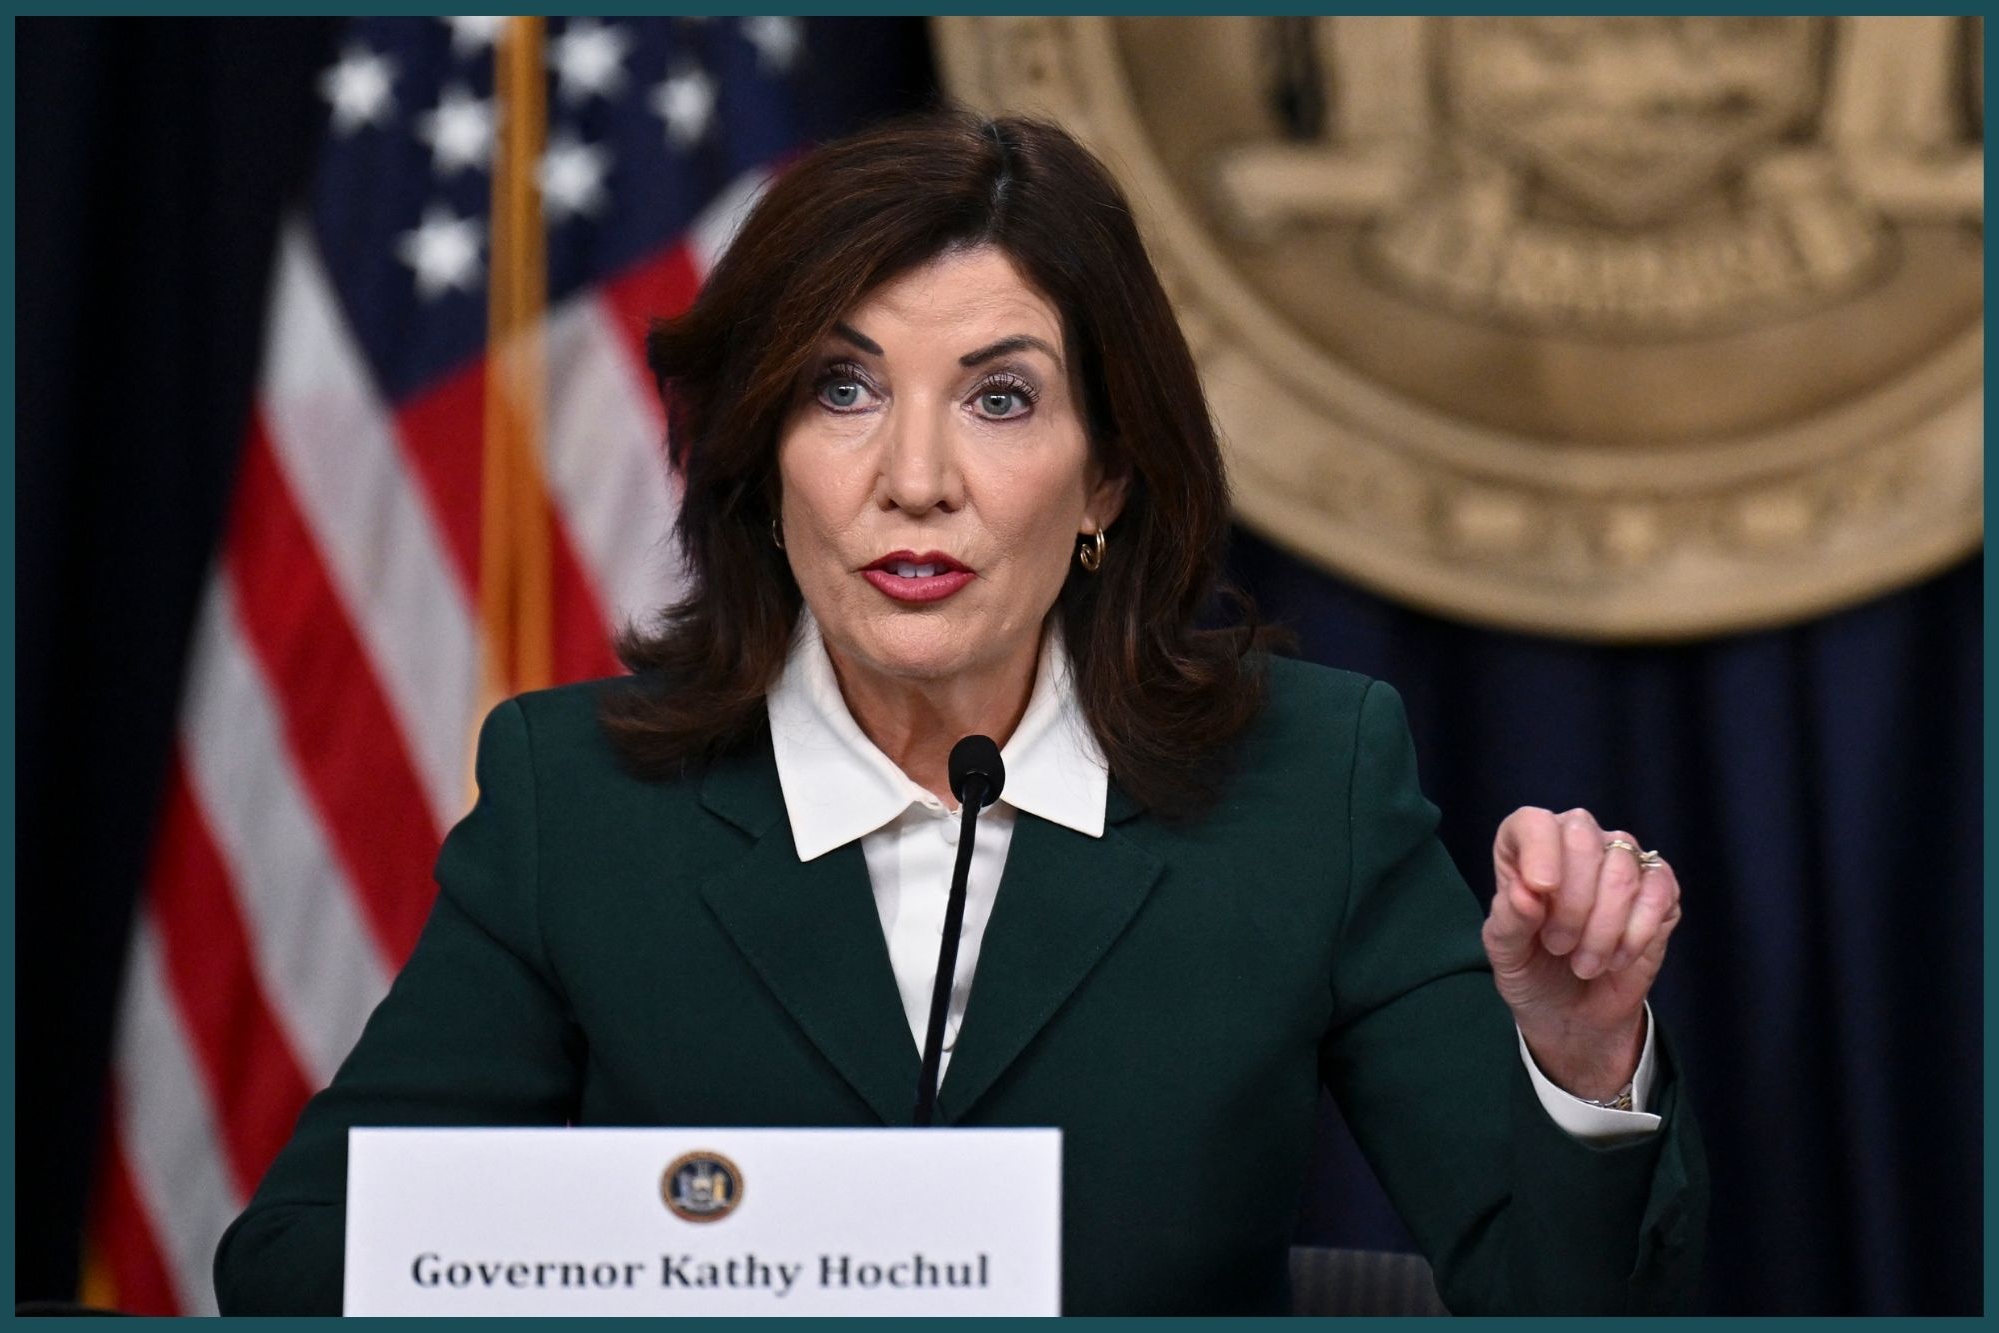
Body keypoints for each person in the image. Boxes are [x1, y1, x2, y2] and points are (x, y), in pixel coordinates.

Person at [214, 106, 1706, 1316]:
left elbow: (1569, 1303)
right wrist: (671, 1261)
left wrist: (1582, 1065)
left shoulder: (1305, 786)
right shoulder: (581, 803)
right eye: (842, 390)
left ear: (1106, 477)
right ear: (763, 460)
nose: (913, 479)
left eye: (1000, 399)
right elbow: (295, 1266)